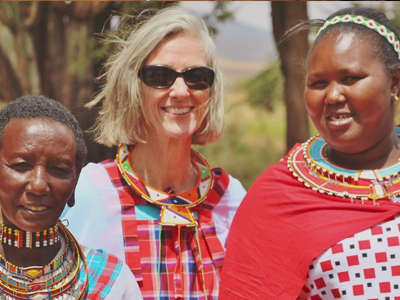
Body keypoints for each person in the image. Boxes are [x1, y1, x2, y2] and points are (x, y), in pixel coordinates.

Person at [61, 5, 246, 300]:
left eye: (197, 76)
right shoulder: (87, 193)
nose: (182, 92)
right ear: (132, 87)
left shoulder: (230, 198)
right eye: (160, 76)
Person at [219, 6, 400, 300]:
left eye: (350, 78)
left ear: (395, 81)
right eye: (318, 83)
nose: (332, 96)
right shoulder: (278, 197)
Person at [0, 95, 142, 299]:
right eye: (21, 166)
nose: (39, 185)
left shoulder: (109, 280)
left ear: (75, 183)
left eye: (58, 169)